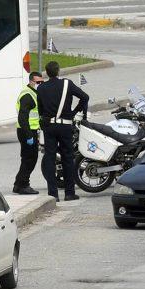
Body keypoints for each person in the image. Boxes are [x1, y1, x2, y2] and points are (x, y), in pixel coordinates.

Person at [37, 61, 89, 201]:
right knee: (68, 158)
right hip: (65, 126)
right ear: (58, 71)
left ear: (46, 73)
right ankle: (69, 193)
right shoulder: (67, 84)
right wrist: (73, 112)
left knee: (49, 158)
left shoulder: (41, 88)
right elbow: (85, 97)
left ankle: (53, 194)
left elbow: (40, 110)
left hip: (49, 127)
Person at [13, 71, 43, 195]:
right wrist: (29, 135)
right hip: (27, 131)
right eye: (37, 82)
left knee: (27, 158)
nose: (40, 84)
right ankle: (24, 185)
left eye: (41, 82)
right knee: (30, 159)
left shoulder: (33, 93)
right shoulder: (27, 96)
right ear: (31, 81)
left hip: (29, 129)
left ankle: (18, 184)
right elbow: (22, 118)